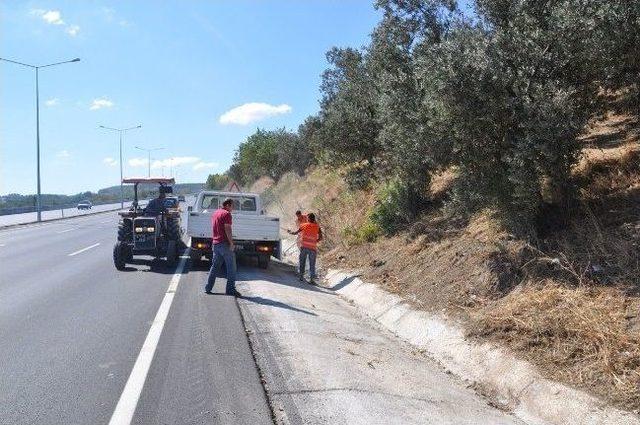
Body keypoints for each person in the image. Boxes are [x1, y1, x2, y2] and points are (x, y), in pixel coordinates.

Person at [205, 198, 237, 295]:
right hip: (224, 244)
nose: (233, 208)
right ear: (227, 205)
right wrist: (231, 243)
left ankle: (208, 288)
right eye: (232, 206)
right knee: (231, 268)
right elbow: (227, 229)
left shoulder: (216, 213)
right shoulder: (226, 214)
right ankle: (230, 290)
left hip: (215, 244)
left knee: (214, 267)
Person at [288, 213, 322, 283]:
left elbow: (295, 233)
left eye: (307, 218)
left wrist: (290, 232)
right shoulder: (317, 227)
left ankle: (301, 277)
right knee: (312, 264)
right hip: (313, 248)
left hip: (304, 247)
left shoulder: (304, 225)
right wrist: (315, 241)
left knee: (302, 262)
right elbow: (321, 237)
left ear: (309, 219)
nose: (306, 219)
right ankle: (312, 279)